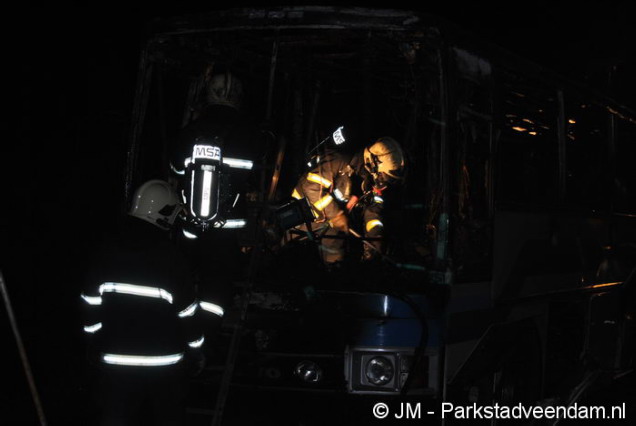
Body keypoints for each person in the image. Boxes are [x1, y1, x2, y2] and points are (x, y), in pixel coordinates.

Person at [81, 180, 204, 426]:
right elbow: (188, 313)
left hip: (115, 364)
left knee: (115, 419)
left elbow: (90, 304)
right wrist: (196, 352)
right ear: (166, 215)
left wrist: (94, 341)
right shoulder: (171, 258)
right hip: (165, 367)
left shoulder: (107, 251)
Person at [287, 136, 405, 267]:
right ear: (373, 162)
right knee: (287, 251)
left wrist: (375, 241)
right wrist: (336, 214)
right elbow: (311, 187)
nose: (383, 182)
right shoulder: (340, 160)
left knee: (336, 262)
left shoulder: (369, 182)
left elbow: (373, 214)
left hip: (333, 225)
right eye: (383, 176)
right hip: (303, 213)